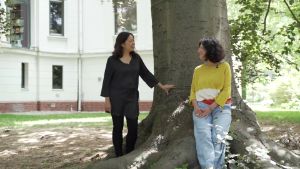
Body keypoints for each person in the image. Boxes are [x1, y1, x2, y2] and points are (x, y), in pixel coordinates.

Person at [101, 32, 175, 157]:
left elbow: (146, 74)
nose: (133, 43)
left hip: (132, 98)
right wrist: (107, 100)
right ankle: (118, 156)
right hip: (116, 99)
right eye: (130, 41)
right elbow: (106, 81)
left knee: (133, 130)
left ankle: (129, 154)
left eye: (133, 40)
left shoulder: (136, 59)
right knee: (117, 128)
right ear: (122, 43)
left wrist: (161, 86)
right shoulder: (112, 60)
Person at [189, 38, 232, 169]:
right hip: (200, 107)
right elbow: (193, 91)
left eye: (201, 48)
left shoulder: (224, 66)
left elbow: (227, 90)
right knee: (203, 136)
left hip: (221, 107)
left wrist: (211, 107)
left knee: (218, 137)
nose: (198, 51)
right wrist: (196, 107)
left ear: (209, 50)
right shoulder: (198, 70)